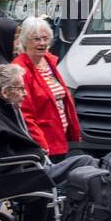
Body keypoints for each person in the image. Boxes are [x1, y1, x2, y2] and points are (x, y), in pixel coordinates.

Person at [0, 64, 54, 221]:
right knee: (81, 166)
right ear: (5, 92)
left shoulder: (1, 109)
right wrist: (36, 155)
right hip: (16, 175)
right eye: (21, 89)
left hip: (23, 169)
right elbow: (2, 158)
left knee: (83, 166)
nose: (25, 94)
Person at [13, 16, 80, 159]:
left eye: (45, 38)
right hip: (46, 147)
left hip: (62, 139)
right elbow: (26, 116)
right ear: (25, 42)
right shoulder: (20, 70)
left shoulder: (50, 61)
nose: (42, 43)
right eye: (36, 39)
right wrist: (42, 148)